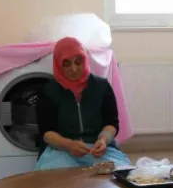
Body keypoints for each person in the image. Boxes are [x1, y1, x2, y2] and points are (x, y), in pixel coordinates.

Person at [36, 37, 130, 170]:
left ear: (85, 60)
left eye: (78, 62)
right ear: (58, 64)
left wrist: (103, 140)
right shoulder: (49, 91)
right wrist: (69, 145)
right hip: (60, 151)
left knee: (120, 174)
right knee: (59, 180)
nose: (74, 69)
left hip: (98, 149)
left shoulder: (101, 86)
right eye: (67, 64)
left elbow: (111, 123)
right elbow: (46, 132)